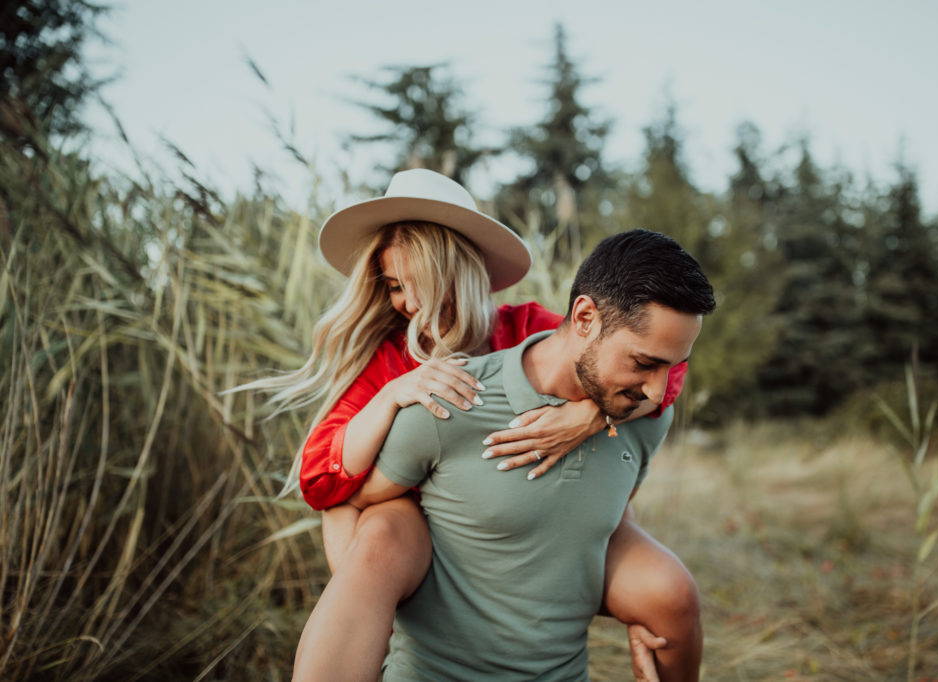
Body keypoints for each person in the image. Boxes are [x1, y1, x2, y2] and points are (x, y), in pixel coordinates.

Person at [247, 170, 701, 680]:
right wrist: (393, 395)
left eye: (421, 284)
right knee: (372, 530)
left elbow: (637, 359)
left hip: (524, 520)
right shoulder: (393, 361)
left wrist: (588, 414)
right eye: (396, 287)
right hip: (415, 523)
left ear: (464, 273)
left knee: (660, 577)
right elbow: (322, 481)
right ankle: (381, 641)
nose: (410, 304)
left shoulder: (525, 330)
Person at [344, 228, 716, 680]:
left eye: (672, 366)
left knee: (670, 590)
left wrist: (641, 606)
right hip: (433, 647)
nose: (657, 391)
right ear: (584, 318)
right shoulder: (440, 396)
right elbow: (346, 492)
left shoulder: (642, 413)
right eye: (643, 363)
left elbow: (610, 512)